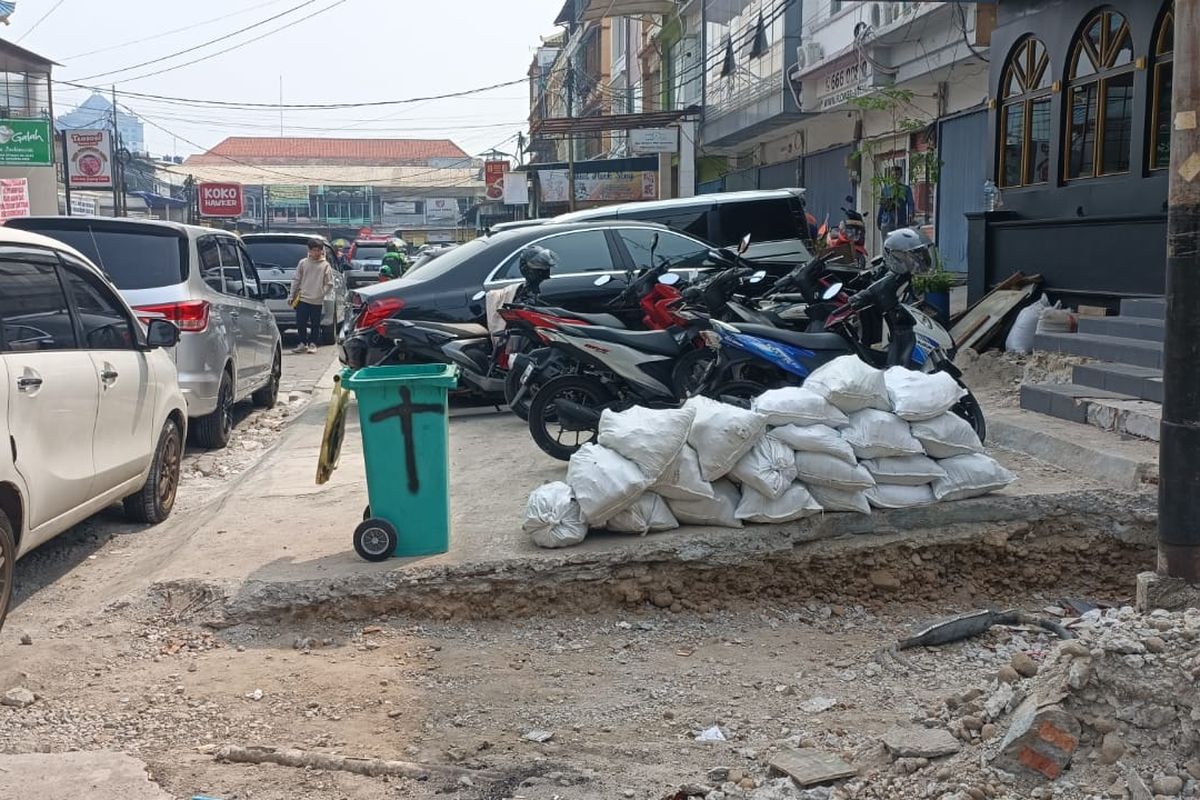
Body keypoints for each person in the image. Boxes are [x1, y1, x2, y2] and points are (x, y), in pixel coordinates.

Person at [289, 238, 334, 354]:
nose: (316, 253)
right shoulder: (303, 263)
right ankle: (302, 343)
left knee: (315, 324)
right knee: (301, 323)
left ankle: (313, 344)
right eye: (314, 250)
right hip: (303, 298)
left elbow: (329, 283)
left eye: (318, 250)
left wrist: (321, 292)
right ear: (309, 250)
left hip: (317, 300)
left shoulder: (325, 265)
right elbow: (296, 280)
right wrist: (291, 296)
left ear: (322, 250)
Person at [876, 165, 915, 239]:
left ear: (900, 175)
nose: (895, 177)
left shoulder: (905, 189)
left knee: (899, 246)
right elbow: (882, 206)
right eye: (893, 175)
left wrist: (911, 213)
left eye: (897, 174)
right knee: (887, 246)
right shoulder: (886, 189)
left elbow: (910, 203)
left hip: (900, 222)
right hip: (887, 222)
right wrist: (879, 220)